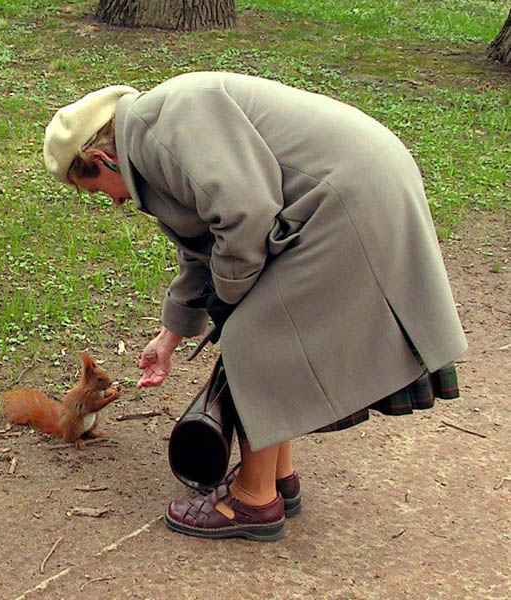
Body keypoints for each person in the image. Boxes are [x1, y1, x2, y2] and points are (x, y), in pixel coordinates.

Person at [43, 72, 467, 541]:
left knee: (255, 331)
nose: (110, 202)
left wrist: (229, 305)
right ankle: (277, 476)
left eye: (96, 190)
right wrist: (171, 335)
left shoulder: (168, 123)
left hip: (347, 197)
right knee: (260, 322)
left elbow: (245, 215)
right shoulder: (151, 140)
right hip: (352, 188)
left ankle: (253, 500)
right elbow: (203, 242)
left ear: (100, 159)